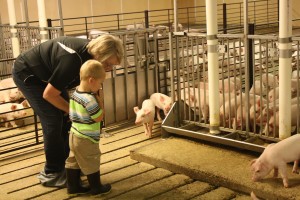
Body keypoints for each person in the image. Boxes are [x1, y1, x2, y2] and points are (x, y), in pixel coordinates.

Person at [12, 34, 124, 187]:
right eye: (107, 64)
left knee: (65, 117)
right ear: (99, 54)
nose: (109, 69)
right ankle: (52, 172)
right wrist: (74, 111)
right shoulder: (72, 60)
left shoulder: (91, 58)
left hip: (49, 74)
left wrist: (74, 109)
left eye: (112, 66)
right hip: (29, 74)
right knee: (53, 120)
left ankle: (68, 166)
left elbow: (84, 87)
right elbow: (49, 94)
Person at [66, 59, 109, 196]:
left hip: (74, 135)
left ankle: (72, 187)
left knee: (73, 160)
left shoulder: (75, 93)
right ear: (91, 80)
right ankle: (96, 188)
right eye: (100, 83)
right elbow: (98, 117)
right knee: (92, 160)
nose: (100, 87)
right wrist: (101, 102)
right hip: (87, 138)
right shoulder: (90, 100)